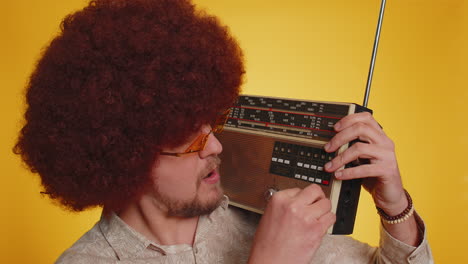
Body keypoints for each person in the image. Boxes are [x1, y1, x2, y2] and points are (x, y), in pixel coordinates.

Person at [14, 0, 433, 263]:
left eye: (212, 124)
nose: (215, 145)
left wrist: (393, 206)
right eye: (192, 139)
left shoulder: (266, 214)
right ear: (126, 156)